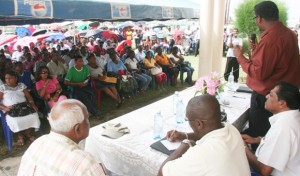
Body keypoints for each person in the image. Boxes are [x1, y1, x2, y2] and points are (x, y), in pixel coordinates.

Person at [234, 1, 300, 141]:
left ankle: (259, 161)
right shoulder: (289, 34)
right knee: (274, 137)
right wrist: (256, 51)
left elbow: (259, 73)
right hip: (285, 95)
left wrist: (240, 56)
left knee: (261, 136)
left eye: (255, 18)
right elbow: (278, 64)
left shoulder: (271, 39)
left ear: (259, 18)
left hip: (269, 97)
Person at [157, 95, 250, 176]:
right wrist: (184, 135)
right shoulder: (232, 129)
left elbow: (161, 173)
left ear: (198, 124)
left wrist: (184, 145)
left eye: (187, 119)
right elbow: (209, 133)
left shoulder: (202, 154)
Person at [18, 99, 106, 176]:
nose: (88, 121)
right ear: (77, 129)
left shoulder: (37, 143)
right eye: (87, 118)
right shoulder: (85, 163)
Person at [242, 82, 300, 176]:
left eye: (271, 95)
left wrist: (243, 148)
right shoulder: (293, 117)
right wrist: (258, 140)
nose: (266, 96)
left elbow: (265, 170)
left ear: (282, 104)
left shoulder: (283, 127)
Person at [0, 71, 40, 146]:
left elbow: (29, 97)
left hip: (24, 106)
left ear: (15, 78)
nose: (8, 80)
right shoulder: (3, 87)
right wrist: (4, 108)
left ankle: (27, 133)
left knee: (34, 116)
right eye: (6, 78)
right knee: (15, 121)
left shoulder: (21, 85)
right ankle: (20, 136)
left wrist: (32, 104)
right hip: (11, 109)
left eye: (10, 78)